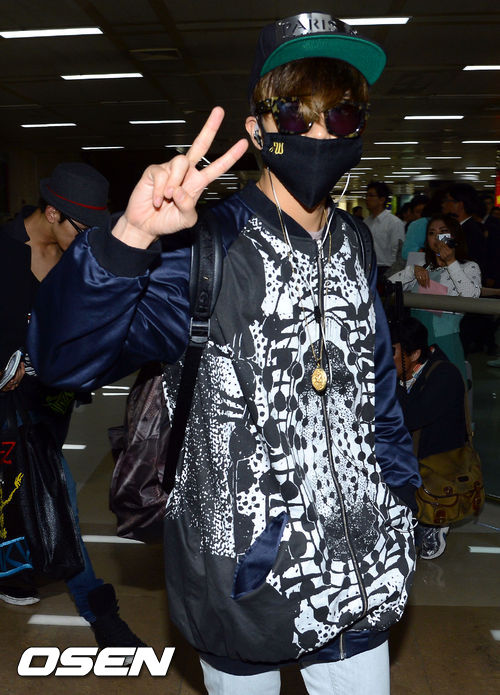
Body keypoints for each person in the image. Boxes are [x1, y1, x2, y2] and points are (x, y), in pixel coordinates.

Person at [28, 12, 420, 695]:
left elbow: (378, 389)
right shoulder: (202, 250)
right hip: (241, 578)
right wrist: (128, 241)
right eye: (295, 117)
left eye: (341, 116)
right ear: (258, 130)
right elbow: (62, 360)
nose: (319, 135)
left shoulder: (355, 242)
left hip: (361, 570)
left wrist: (399, 497)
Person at [0, 162, 144, 650]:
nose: (87, 241)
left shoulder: (76, 257)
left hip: (53, 401)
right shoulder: (3, 252)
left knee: (26, 493)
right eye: (81, 229)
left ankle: (17, 572)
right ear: (52, 213)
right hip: (7, 405)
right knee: (59, 501)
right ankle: (101, 614)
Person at [390, 317, 467, 559]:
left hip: (437, 467)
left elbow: (411, 418)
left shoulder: (444, 375)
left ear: (414, 355)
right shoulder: (410, 370)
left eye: (391, 352)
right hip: (414, 455)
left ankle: (433, 517)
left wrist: (389, 382)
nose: (383, 359)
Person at [388, 214, 481, 379]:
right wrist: (412, 271)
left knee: (448, 385)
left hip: (445, 340)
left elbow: (471, 297)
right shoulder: (422, 264)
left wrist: (451, 262)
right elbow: (390, 287)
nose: (437, 238)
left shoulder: (468, 267)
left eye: (443, 232)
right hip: (415, 343)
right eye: (431, 233)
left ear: (454, 236)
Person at [365, 180, 405, 279]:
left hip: (387, 270)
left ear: (382, 200)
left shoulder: (394, 223)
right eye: (366, 195)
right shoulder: (366, 222)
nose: (367, 199)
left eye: (371, 195)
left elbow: (398, 252)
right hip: (368, 269)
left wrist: (392, 275)